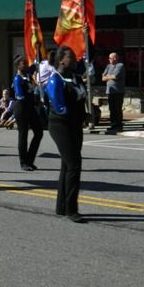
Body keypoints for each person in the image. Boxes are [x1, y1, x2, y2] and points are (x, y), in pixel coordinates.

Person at [46, 46, 87, 223]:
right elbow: (60, 107)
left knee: (66, 165)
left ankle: (61, 207)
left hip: (75, 125)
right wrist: (79, 115)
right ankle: (72, 209)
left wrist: (86, 114)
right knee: (74, 164)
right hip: (60, 125)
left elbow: (81, 99)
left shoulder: (76, 78)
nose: (75, 59)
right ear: (62, 60)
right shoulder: (55, 80)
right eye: (71, 57)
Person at [12, 55, 43, 171]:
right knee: (23, 134)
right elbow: (20, 95)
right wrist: (31, 98)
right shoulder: (17, 79)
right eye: (23, 63)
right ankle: (23, 162)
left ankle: (30, 159)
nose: (26, 65)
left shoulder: (28, 77)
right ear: (18, 66)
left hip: (30, 107)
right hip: (22, 108)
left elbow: (33, 89)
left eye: (26, 62)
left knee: (39, 133)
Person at [102, 52, 125, 134]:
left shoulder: (120, 65)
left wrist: (108, 76)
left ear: (115, 58)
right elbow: (103, 78)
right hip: (110, 91)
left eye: (110, 58)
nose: (109, 59)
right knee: (112, 109)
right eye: (109, 58)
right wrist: (109, 76)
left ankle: (119, 125)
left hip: (118, 91)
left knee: (117, 109)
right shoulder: (108, 66)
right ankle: (113, 124)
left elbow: (115, 76)